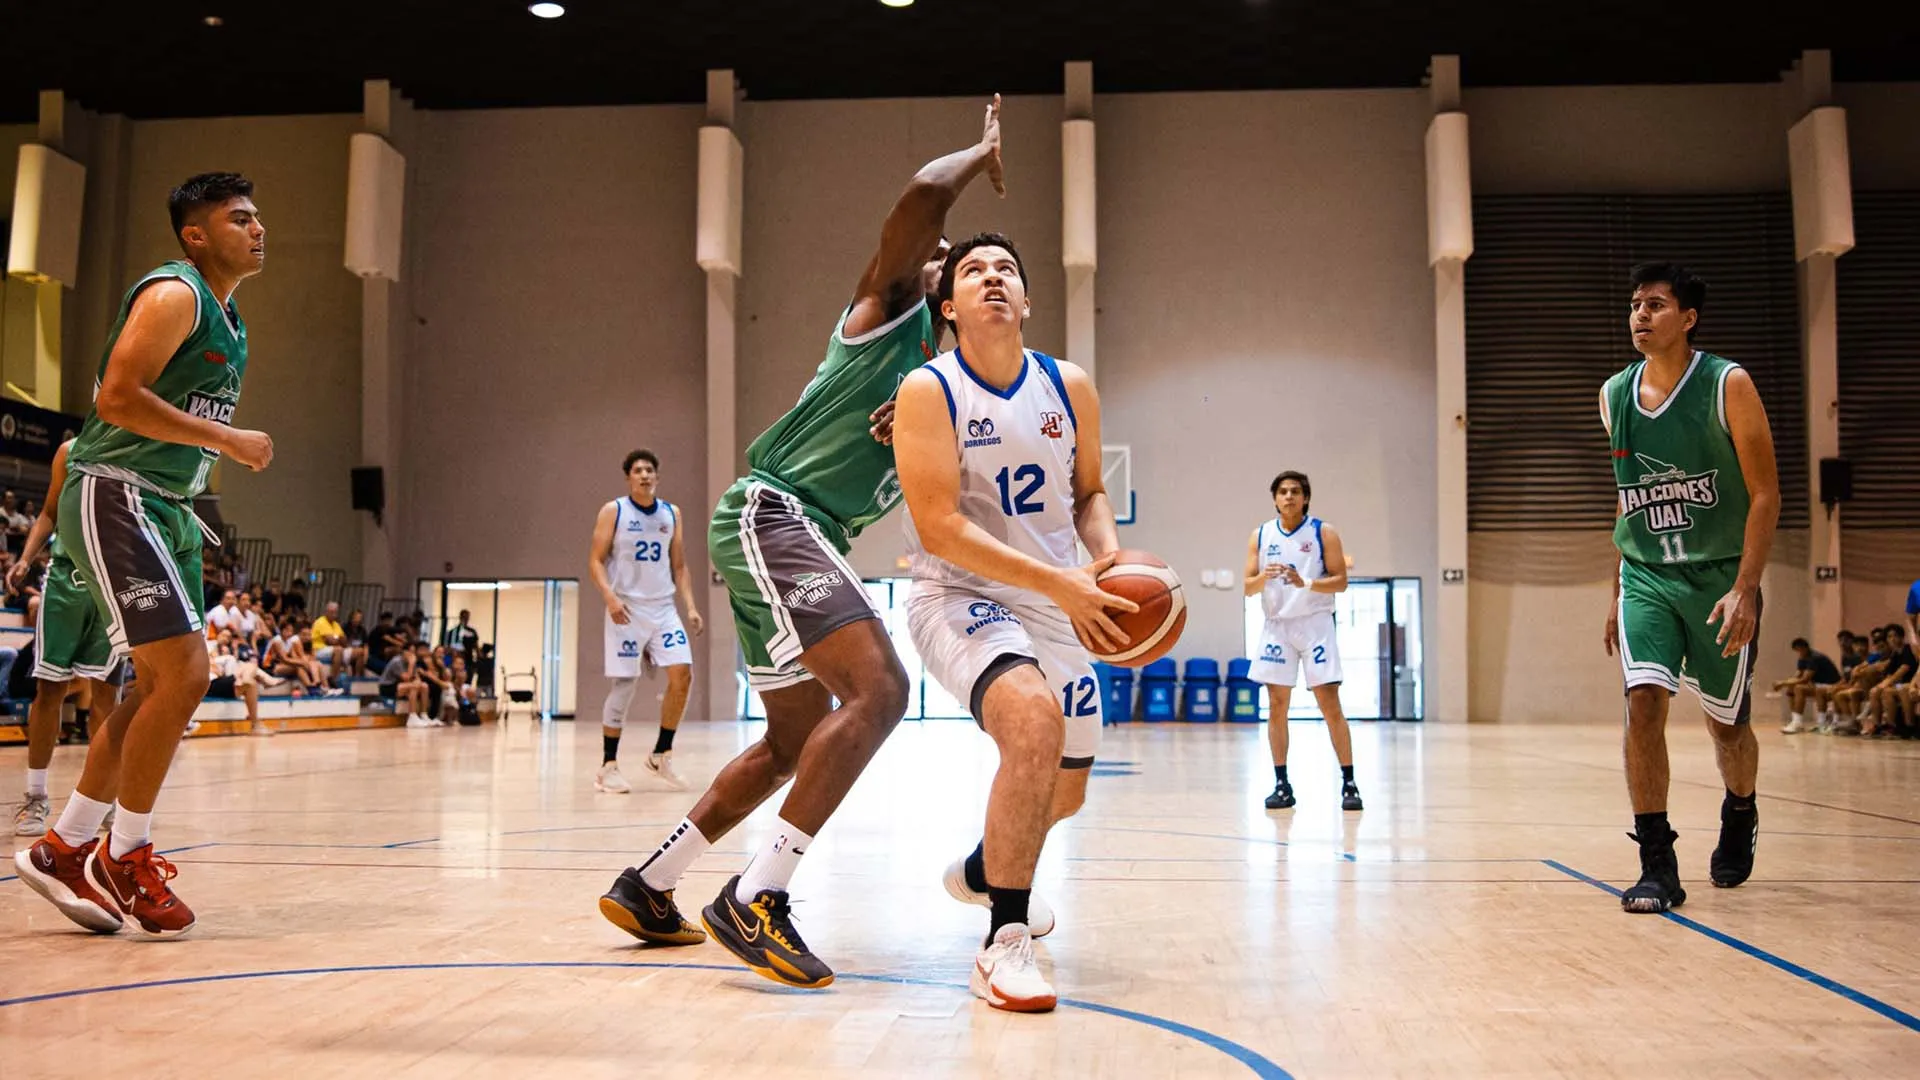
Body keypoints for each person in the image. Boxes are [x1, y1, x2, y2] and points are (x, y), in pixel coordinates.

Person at [598, 97, 1005, 990]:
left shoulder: (943, 392)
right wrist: (977, 154)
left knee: (792, 737)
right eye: (956, 261)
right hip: (775, 514)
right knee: (881, 688)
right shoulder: (890, 312)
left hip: (793, 535)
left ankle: (651, 883)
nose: (944, 259)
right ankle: (758, 897)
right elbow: (916, 203)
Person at [14, 172, 270, 938]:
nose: (258, 229)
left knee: (155, 688)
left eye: (259, 218)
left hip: (168, 506)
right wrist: (227, 438)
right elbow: (116, 399)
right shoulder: (174, 295)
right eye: (240, 218)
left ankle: (66, 847)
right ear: (196, 234)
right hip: (118, 491)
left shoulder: (229, 315)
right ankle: (124, 853)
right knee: (187, 675)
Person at [892, 230, 1134, 1013]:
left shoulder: (1070, 385)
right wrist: (1061, 582)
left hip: (1058, 592)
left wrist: (1105, 561)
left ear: (1027, 300)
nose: (993, 278)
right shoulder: (929, 391)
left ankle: (981, 869)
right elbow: (939, 526)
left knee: (1065, 794)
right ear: (950, 307)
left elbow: (1091, 492)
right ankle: (1003, 942)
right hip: (957, 592)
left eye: (1007, 271)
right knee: (1032, 724)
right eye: (973, 271)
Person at [1601, 262, 1778, 915]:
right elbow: (1627, 502)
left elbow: (1766, 493)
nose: (1640, 316)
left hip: (1719, 576)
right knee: (1643, 702)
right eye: (1634, 306)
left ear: (1688, 317)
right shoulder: (1613, 395)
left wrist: (1747, 587)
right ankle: (1657, 862)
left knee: (1727, 727)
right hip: (1646, 574)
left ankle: (1740, 808)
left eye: (1655, 305)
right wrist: (1614, 590)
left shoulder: (1727, 384)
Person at [9, 439, 124, 836]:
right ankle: (35, 797)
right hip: (66, 581)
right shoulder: (70, 450)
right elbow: (48, 512)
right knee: (49, 688)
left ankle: (104, 800)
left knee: (107, 696)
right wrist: (25, 557)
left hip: (114, 582)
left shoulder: (144, 449)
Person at [585, 450, 705, 793]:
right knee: (625, 684)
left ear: (657, 476)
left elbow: (679, 565)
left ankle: (661, 754)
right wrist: (610, 597)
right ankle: (608, 767)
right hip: (627, 608)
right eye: (637, 470)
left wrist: (692, 607)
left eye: (649, 470)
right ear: (628, 478)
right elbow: (594, 560)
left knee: (682, 674)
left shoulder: (672, 514)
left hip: (663, 607)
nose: (644, 475)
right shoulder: (614, 511)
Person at [1242, 471, 1361, 812]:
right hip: (1277, 625)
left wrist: (1304, 582)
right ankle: (1282, 784)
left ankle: (1349, 781)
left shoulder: (1324, 532)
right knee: (1277, 706)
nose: (1289, 497)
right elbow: (1248, 587)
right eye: (1283, 492)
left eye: (1295, 491)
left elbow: (1341, 582)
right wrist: (1265, 576)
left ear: (1306, 498)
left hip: (1315, 624)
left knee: (1329, 703)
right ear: (1275, 499)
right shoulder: (1261, 535)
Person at [1775, 637, 1842, 734]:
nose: (1798, 653)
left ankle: (1798, 723)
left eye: (1799, 650)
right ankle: (1795, 720)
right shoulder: (1802, 658)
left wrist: (1782, 683)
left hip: (1830, 685)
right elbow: (1797, 676)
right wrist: (1786, 683)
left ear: (1804, 648)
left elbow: (1804, 679)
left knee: (1799, 688)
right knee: (1792, 688)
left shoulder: (1815, 658)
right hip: (1818, 685)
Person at [1862, 624, 1916, 737]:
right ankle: (1880, 726)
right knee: (1874, 691)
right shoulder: (1895, 654)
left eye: (1895, 636)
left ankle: (1909, 726)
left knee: (1889, 690)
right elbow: (1889, 673)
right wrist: (1880, 686)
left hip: (1912, 683)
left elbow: (1904, 669)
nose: (1892, 639)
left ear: (1902, 637)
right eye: (1889, 636)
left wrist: (1886, 683)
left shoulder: (1908, 649)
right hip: (1899, 685)